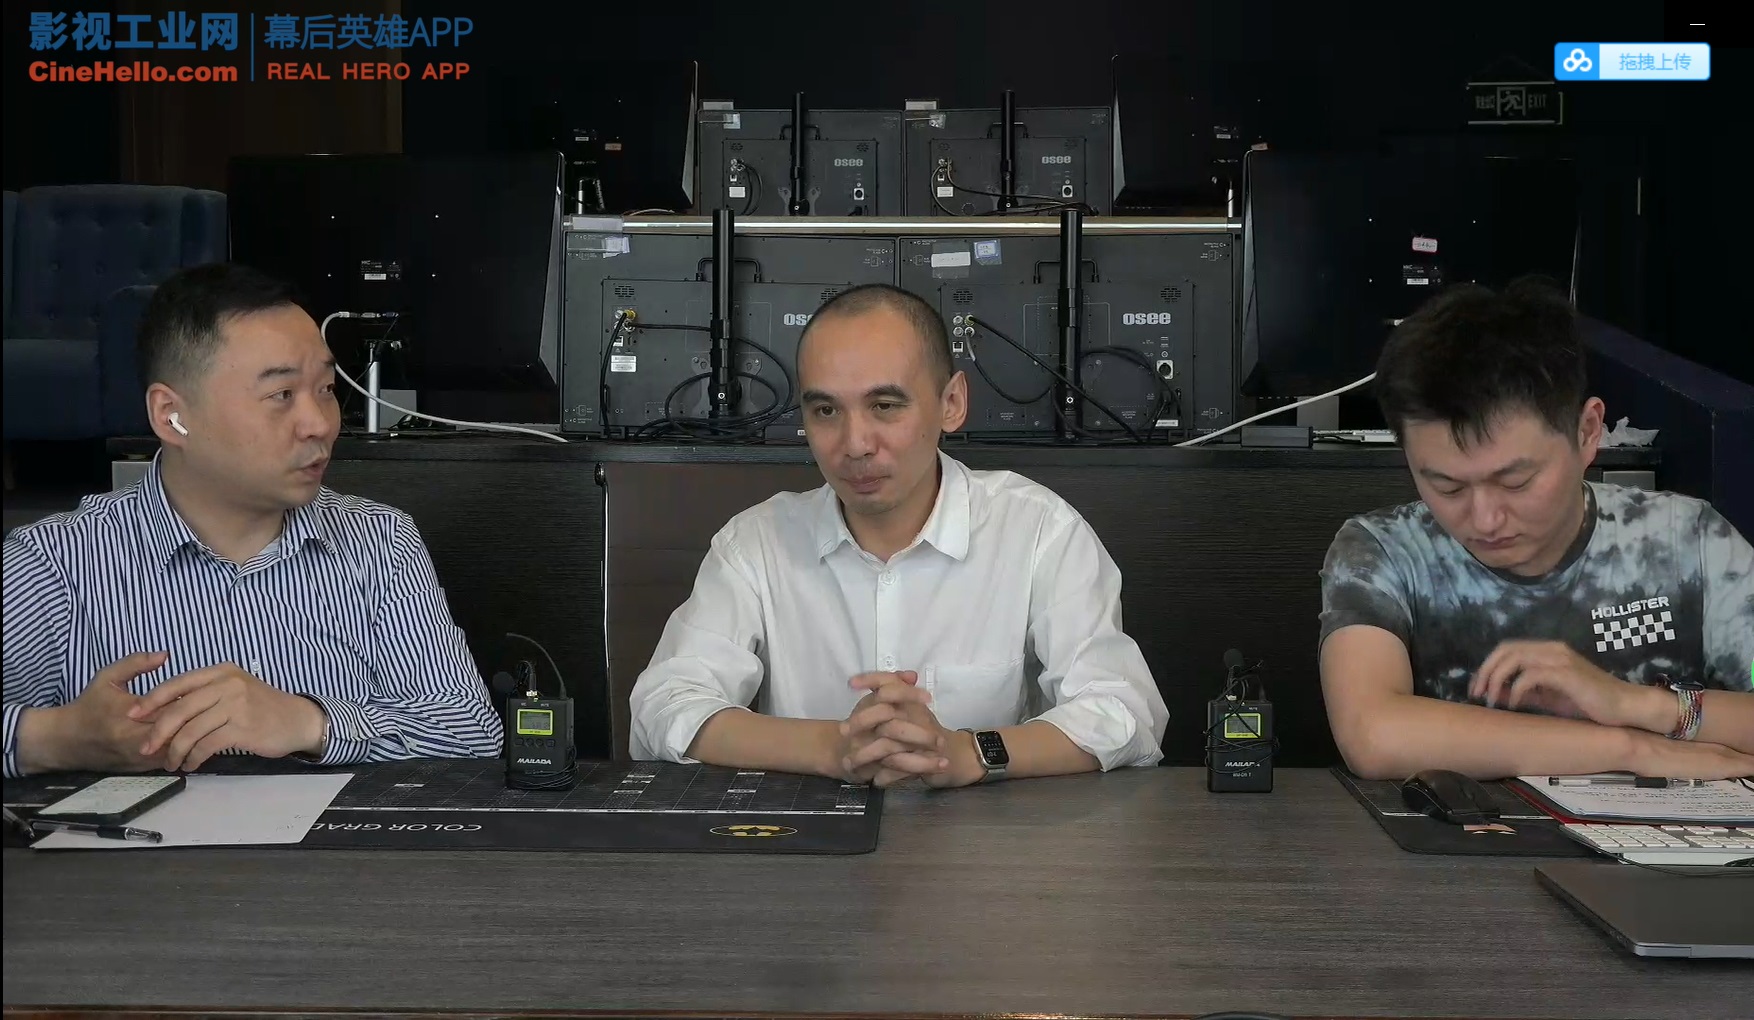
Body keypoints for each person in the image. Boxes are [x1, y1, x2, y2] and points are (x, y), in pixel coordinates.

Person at [629, 284, 1168, 786]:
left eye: (884, 406)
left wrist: (966, 752)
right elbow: (664, 708)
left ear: (951, 403)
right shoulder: (755, 543)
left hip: (989, 845)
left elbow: (1124, 711)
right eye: (826, 410)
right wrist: (833, 747)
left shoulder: (1039, 530)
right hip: (802, 843)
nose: (855, 444)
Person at [2, 263, 503, 777]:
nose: (319, 425)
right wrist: (58, 739)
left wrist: (309, 723)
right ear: (171, 415)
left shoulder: (380, 541)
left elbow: (471, 730)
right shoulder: (54, 562)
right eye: (281, 395)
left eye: (327, 389)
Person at [1319, 279, 1754, 781]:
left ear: (1587, 433)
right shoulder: (1385, 553)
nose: (1485, 519)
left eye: (1516, 481)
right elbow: (1374, 733)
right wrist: (1629, 748)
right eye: (1447, 486)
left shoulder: (1686, 541)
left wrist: (1636, 705)